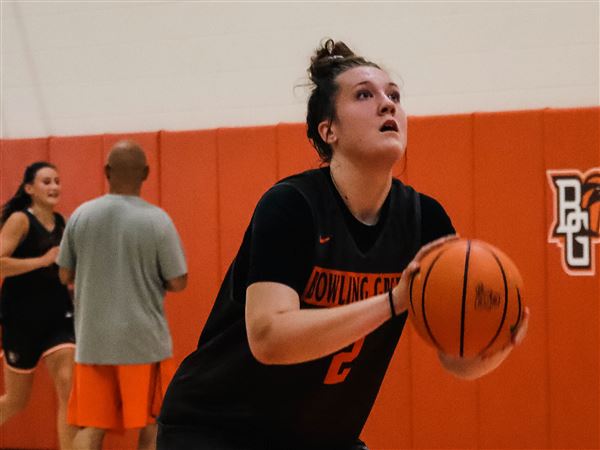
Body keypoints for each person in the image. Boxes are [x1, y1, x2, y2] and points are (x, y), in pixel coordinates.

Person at [157, 39, 529, 450]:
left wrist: (495, 340)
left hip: (321, 438)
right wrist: (393, 300)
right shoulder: (291, 207)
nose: (388, 105)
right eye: (365, 95)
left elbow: (455, 358)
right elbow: (268, 337)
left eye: (394, 96)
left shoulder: (424, 220)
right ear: (327, 129)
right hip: (218, 429)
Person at [57, 140, 188, 450]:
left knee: (91, 428)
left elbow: (64, 274)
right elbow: (178, 281)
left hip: (92, 344)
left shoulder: (81, 216)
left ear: (106, 172)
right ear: (145, 173)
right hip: (144, 344)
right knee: (154, 424)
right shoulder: (157, 220)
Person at [0, 162, 76, 450]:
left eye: (57, 180)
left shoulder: (64, 223)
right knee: (16, 401)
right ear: (29, 188)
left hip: (59, 318)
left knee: (68, 387)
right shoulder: (20, 220)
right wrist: (41, 261)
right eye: (46, 181)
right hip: (21, 320)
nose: (54, 186)